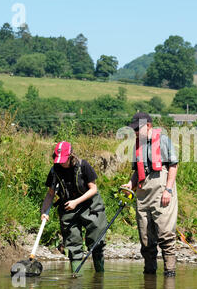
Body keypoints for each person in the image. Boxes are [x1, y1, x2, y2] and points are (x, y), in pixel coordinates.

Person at [122, 112, 179, 277]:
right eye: (134, 130)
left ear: (148, 126)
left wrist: (168, 190)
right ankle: (150, 273)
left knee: (165, 233)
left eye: (138, 129)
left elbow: (173, 166)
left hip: (161, 188)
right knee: (145, 237)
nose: (136, 133)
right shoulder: (137, 145)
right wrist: (130, 184)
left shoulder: (164, 141)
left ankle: (169, 272)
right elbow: (137, 171)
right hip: (142, 191)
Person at [40, 141, 108, 273]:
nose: (61, 163)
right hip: (68, 208)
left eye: (64, 160)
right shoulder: (55, 170)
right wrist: (44, 211)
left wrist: (76, 202)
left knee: (97, 242)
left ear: (71, 155)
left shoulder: (84, 165)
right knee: (73, 245)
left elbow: (93, 189)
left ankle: (99, 279)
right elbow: (50, 194)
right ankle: (76, 280)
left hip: (90, 205)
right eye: (58, 160)